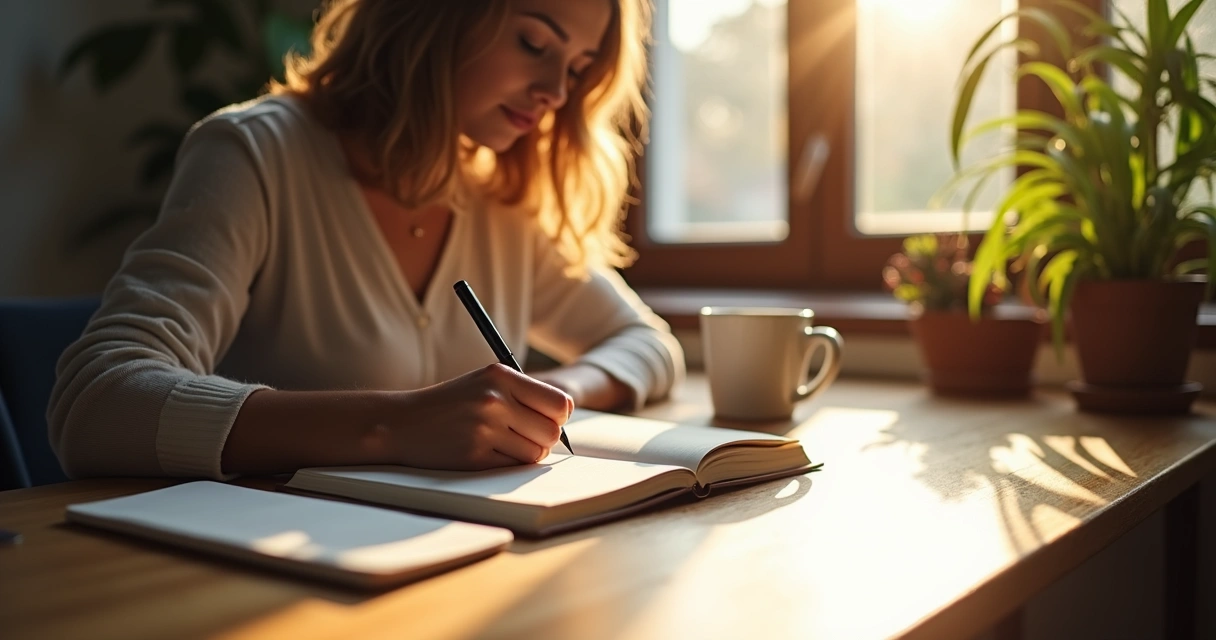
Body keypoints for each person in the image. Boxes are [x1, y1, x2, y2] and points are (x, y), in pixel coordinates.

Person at [48, 0, 684, 480]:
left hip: (460, 564)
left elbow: (647, 342)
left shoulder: (501, 197)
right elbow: (98, 404)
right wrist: (394, 425)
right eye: (532, 41)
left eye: (577, 67)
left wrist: (543, 402)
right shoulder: (256, 156)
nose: (556, 91)